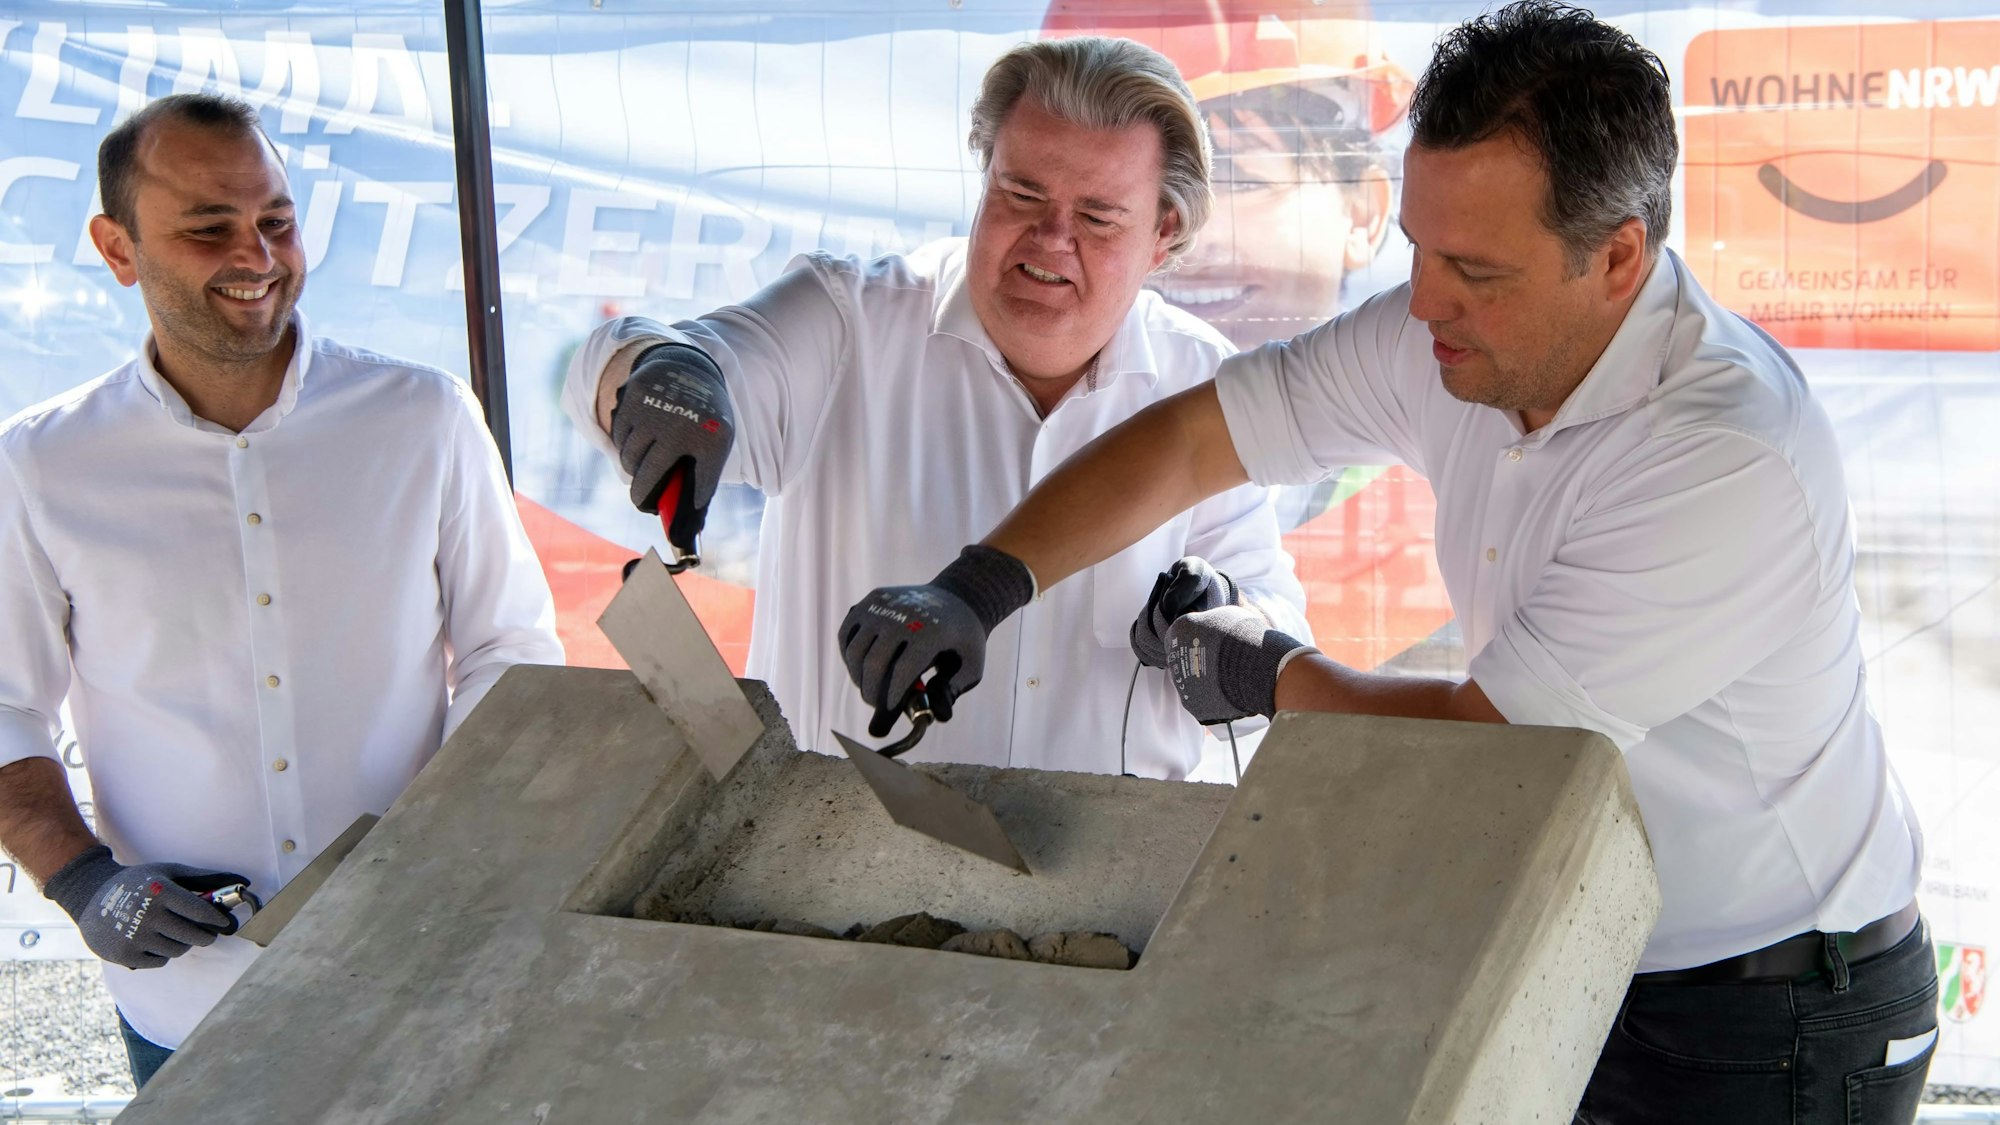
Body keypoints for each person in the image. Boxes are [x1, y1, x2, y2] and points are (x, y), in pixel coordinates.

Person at [839, 4, 1936, 1121]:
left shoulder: (1717, 455)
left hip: (1773, 1007)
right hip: (1579, 939)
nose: (1421, 302)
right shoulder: (1452, 331)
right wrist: (977, 586)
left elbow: (1492, 752)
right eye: (1417, 247)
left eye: (1473, 269)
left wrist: (1269, 673)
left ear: (1615, 256)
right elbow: (1192, 438)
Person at [0, 93, 562, 1087]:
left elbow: (507, 648)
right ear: (116, 248)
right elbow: (5, 707)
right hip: (187, 1002)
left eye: (276, 220)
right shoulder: (41, 464)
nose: (257, 255)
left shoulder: (421, 417)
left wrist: (452, 846)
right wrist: (87, 884)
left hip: (422, 967)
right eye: (209, 227)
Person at [562, 36, 1308, 777]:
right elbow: (631, 362)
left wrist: (1224, 612)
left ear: (1163, 234)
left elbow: (1276, 630)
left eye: (1099, 217)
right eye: (1021, 194)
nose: (1051, 239)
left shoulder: (1203, 381)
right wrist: (665, 374)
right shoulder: (849, 321)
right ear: (985, 177)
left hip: (1108, 866)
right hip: (822, 853)